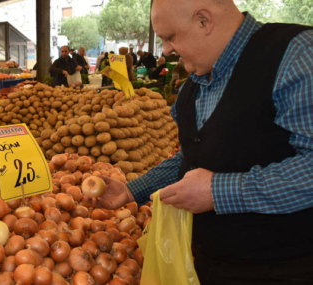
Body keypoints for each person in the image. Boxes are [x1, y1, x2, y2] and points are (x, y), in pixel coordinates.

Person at [90, 0, 313, 283]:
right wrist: (132, 191)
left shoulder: (296, 55)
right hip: (210, 264)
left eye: (170, 37)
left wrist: (218, 191)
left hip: (288, 268)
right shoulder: (193, 85)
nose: (167, 50)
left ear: (204, 20)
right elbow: (193, 158)